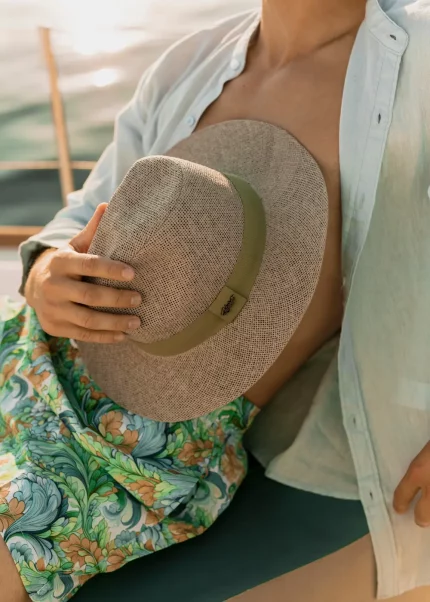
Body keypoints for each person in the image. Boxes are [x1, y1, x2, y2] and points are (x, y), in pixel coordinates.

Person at [2, 0, 430, 599]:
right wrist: (44, 268)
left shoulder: (421, 58)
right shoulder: (191, 63)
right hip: (40, 357)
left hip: (153, 447)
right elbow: (89, 206)